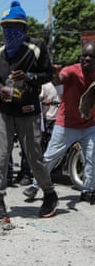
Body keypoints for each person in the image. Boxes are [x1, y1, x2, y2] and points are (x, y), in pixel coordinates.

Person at [0, 1, 58, 222]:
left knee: (34, 157)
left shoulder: (37, 47)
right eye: (6, 26)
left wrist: (28, 77)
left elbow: (48, 74)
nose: (10, 31)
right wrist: (1, 90)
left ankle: (49, 194)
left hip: (28, 111)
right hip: (3, 111)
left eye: (15, 27)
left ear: (24, 28)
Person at [25, 42, 95, 204]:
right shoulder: (71, 70)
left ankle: (88, 190)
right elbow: (58, 80)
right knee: (50, 157)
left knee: (91, 158)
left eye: (91, 56)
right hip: (66, 125)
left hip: (89, 125)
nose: (86, 58)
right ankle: (35, 186)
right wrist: (54, 74)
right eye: (84, 55)